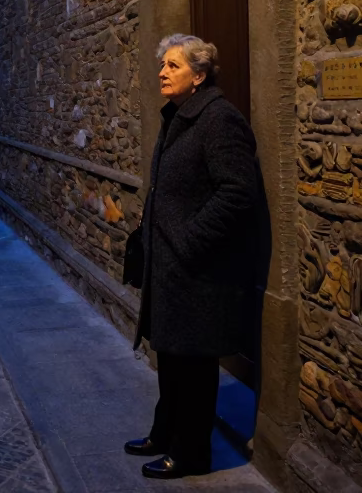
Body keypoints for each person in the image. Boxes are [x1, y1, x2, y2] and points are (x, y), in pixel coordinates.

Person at [121, 34, 260, 480]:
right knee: (172, 358)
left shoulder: (219, 120)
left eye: (173, 66)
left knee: (195, 368)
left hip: (197, 271)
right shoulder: (179, 116)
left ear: (198, 76)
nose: (162, 71)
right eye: (163, 64)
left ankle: (191, 453)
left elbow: (238, 193)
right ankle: (165, 435)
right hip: (171, 268)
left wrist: (187, 241)